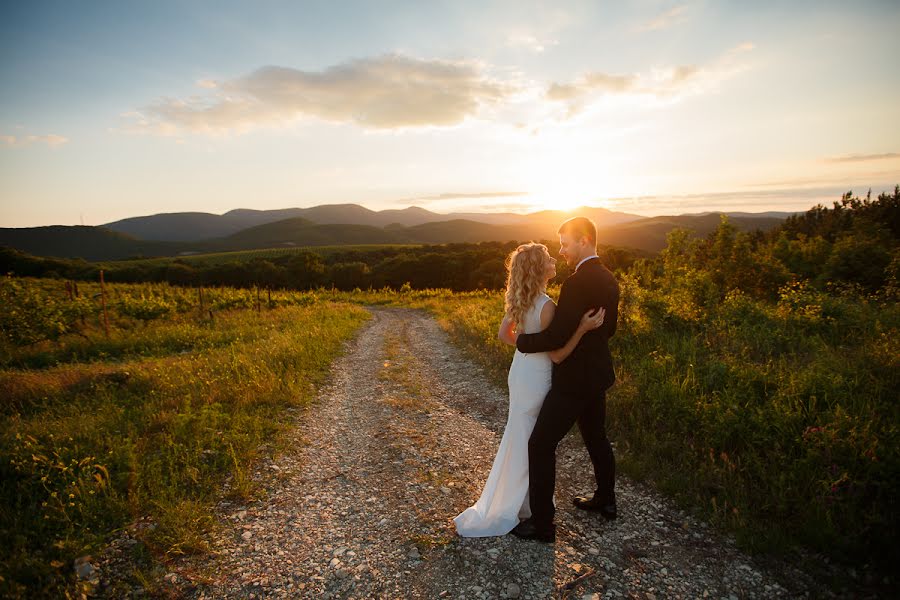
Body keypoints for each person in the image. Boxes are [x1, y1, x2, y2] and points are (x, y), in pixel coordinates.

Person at [454, 242, 604, 537]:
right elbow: (558, 355)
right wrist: (582, 330)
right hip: (537, 379)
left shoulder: (522, 298)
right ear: (540, 268)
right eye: (549, 258)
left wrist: (524, 348)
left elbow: (503, 335)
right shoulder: (547, 306)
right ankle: (525, 506)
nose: (554, 261)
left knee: (521, 436)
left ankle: (524, 503)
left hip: (520, 372)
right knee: (534, 443)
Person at [510, 217, 620, 543]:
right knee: (596, 437)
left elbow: (557, 335)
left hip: (572, 380)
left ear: (584, 240)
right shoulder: (609, 279)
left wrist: (523, 342)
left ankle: (542, 525)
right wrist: (584, 332)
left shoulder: (576, 283)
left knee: (541, 444)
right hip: (597, 375)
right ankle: (606, 499)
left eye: (566, 243)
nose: (562, 250)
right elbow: (609, 329)